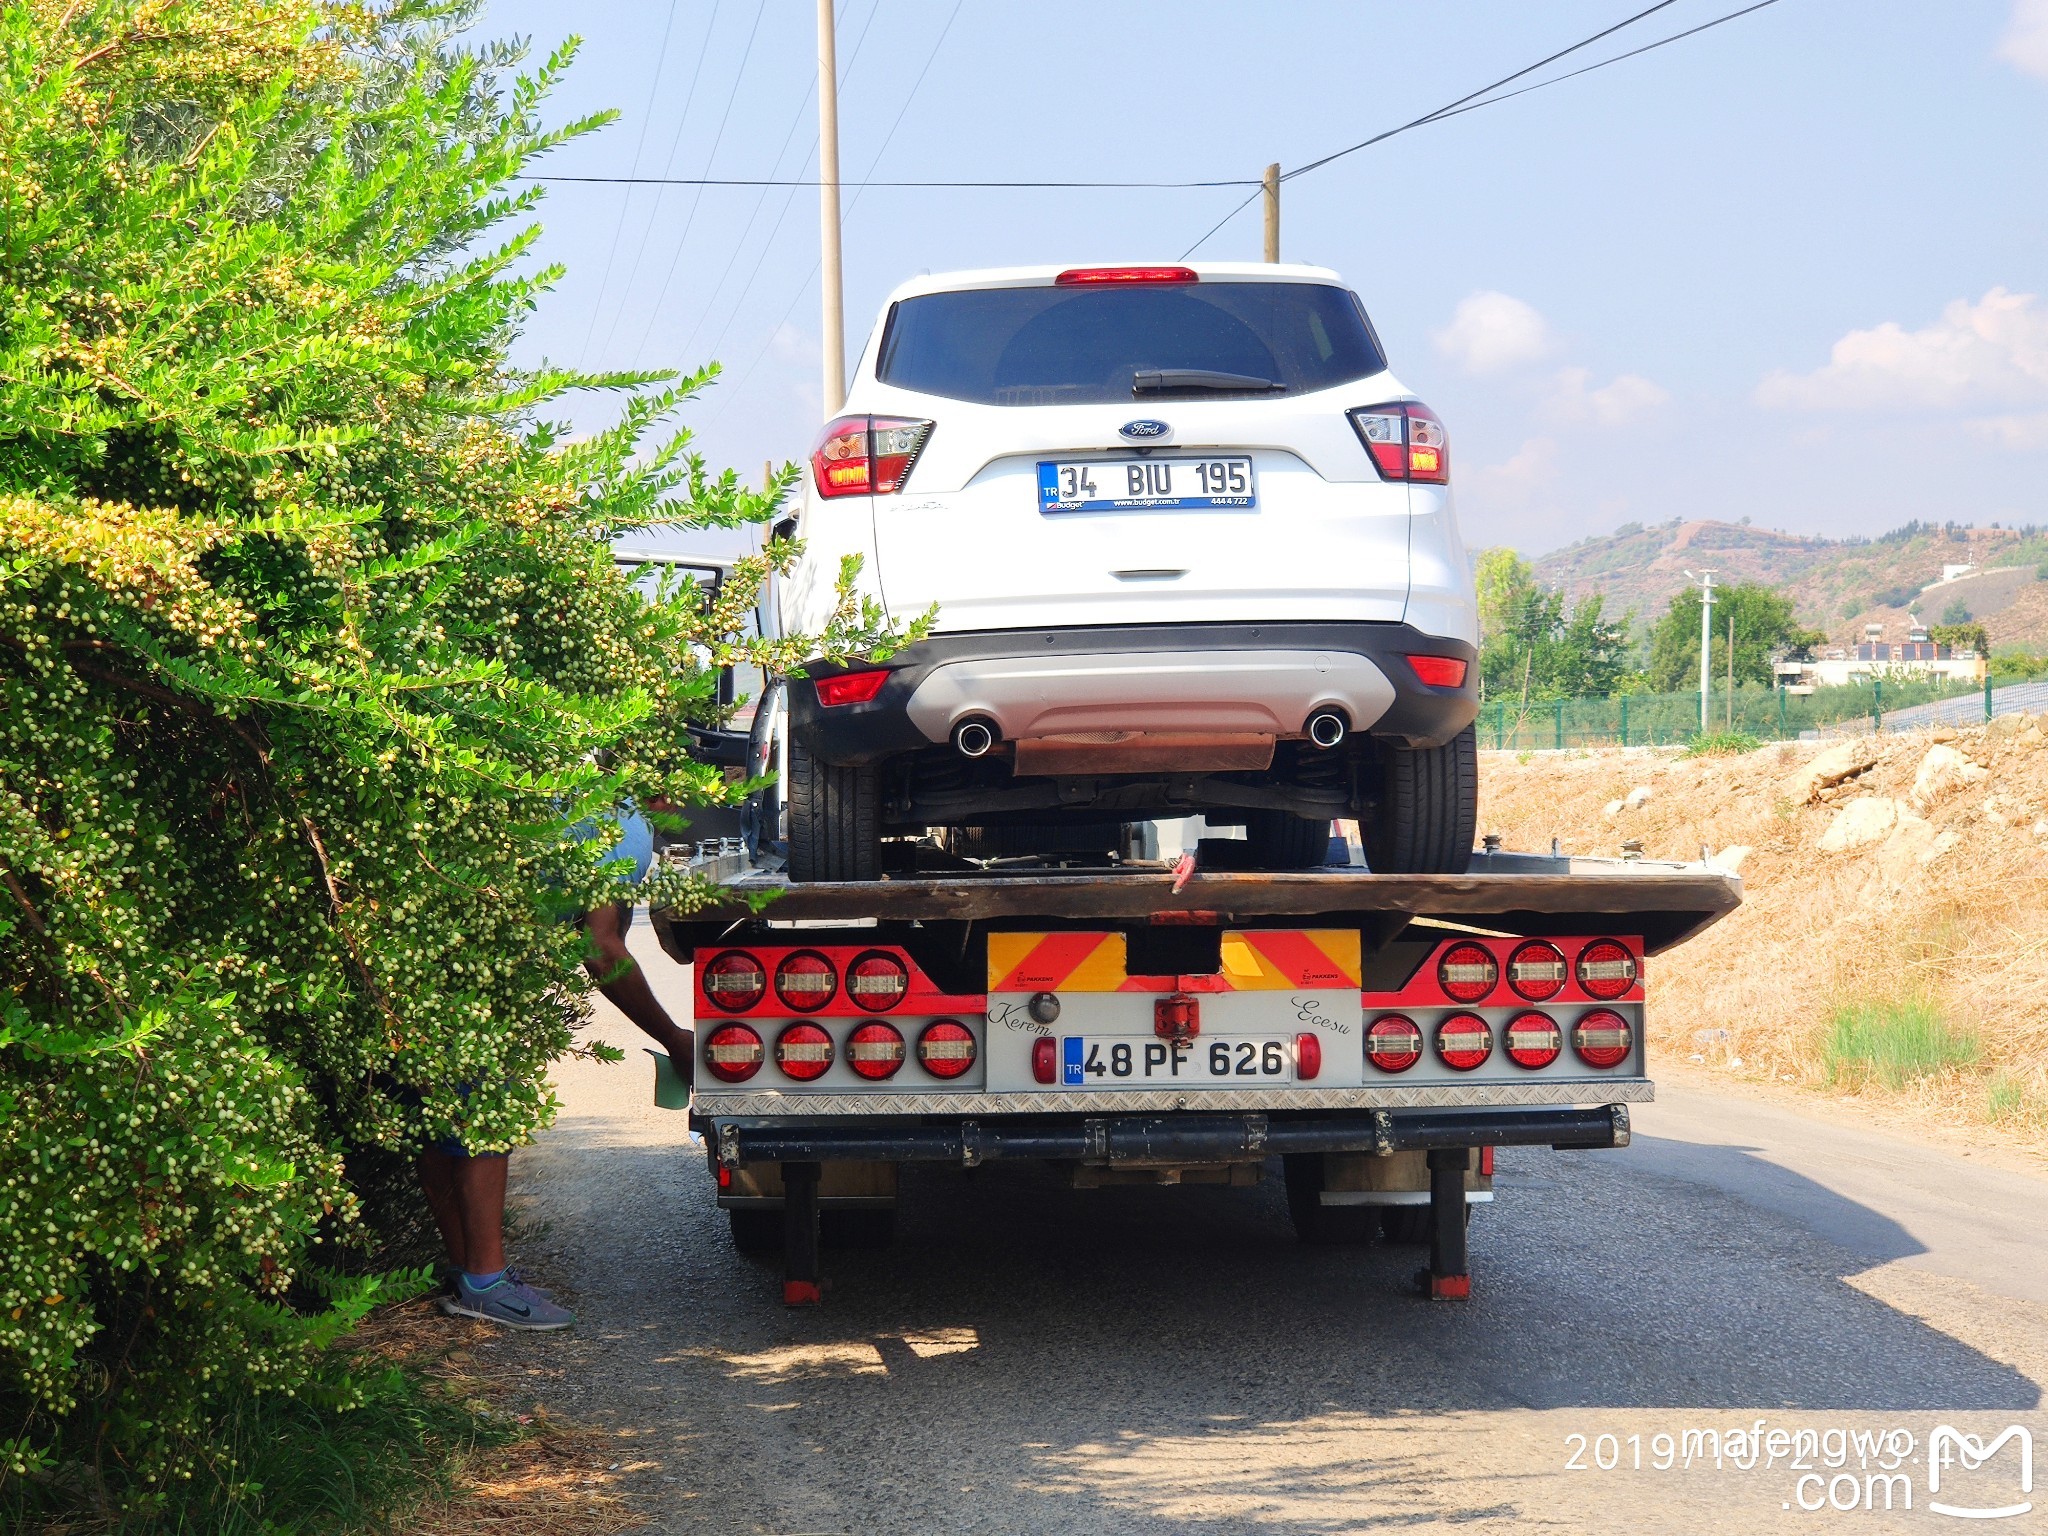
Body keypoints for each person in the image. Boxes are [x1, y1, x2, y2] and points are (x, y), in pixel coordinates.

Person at [424, 804, 693, 1329]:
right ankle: (485, 1281)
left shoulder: (577, 805)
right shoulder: (629, 833)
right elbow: (601, 949)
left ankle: (468, 1275)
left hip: (414, 950)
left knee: (437, 1119)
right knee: (485, 1119)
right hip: (467, 969)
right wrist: (674, 1039)